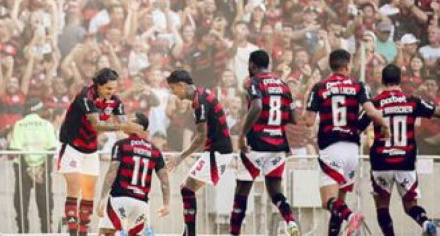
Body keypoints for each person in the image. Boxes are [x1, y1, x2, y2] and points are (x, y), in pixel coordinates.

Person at [362, 64, 440, 236]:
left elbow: (357, 126)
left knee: (382, 206)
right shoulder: (412, 101)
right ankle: (425, 221)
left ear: (382, 81)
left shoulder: (375, 103)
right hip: (405, 161)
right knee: (410, 206)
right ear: (399, 80)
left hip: (381, 161)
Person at [304, 49, 389, 236]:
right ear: (348, 66)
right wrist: (384, 126)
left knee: (328, 202)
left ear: (330, 66)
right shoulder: (358, 86)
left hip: (331, 147)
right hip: (352, 149)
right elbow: (372, 112)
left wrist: (307, 96)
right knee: (338, 203)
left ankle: (351, 217)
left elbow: (309, 121)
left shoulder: (320, 87)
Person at [57, 68, 143, 236]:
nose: (112, 93)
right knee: (74, 188)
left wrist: (135, 136)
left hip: (91, 151)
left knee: (89, 193)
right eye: (108, 89)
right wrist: (122, 126)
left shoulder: (115, 101)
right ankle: (73, 233)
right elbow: (97, 124)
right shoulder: (85, 96)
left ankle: (83, 233)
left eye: (114, 89)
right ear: (97, 86)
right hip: (72, 147)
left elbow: (123, 125)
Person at [232, 50, 300, 236]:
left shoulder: (255, 82)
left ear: (253, 65)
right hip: (278, 146)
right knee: (275, 191)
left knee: (242, 191)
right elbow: (294, 118)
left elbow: (257, 105)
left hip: (256, 144)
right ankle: (291, 221)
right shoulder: (284, 85)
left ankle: (234, 233)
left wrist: (242, 134)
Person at [165, 69, 233, 236]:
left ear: (181, 86)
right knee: (187, 188)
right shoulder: (201, 95)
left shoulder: (199, 102)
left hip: (218, 153)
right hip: (216, 152)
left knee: (187, 190)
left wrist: (180, 157)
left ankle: (190, 234)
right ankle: (189, 233)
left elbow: (201, 137)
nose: (173, 93)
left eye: (173, 89)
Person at [97, 112, 171, 235]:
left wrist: (102, 198)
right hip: (141, 204)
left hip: (119, 199)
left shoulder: (121, 145)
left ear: (138, 126)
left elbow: (112, 172)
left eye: (131, 120)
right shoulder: (155, 150)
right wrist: (166, 204)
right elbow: (164, 180)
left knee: (106, 232)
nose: (126, 122)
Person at [10, 98, 59, 234]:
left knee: (21, 203)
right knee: (45, 203)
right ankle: (46, 231)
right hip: (42, 168)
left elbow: (16, 149)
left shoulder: (19, 124)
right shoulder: (47, 125)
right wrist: (41, 169)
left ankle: (23, 232)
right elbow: (51, 149)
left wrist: (28, 169)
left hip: (23, 167)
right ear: (39, 110)